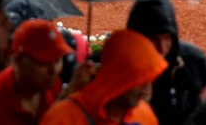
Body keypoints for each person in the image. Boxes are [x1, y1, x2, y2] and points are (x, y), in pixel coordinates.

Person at [39, 29, 167, 125]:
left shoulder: (145, 115)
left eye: (149, 79)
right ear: (117, 74)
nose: (147, 90)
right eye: (138, 80)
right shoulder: (63, 118)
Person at [126, 0, 206, 125]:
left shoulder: (193, 61)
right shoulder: (116, 69)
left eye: (167, 37)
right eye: (153, 39)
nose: (162, 47)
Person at [0, 19, 75, 125]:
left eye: (57, 60)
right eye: (43, 61)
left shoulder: (53, 87)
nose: (53, 70)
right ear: (17, 60)